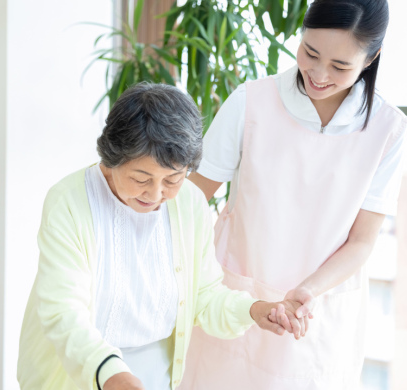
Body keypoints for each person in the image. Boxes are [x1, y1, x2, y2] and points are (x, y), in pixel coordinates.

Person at [179, 0, 407, 389]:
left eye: (340, 67)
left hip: (319, 312)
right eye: (310, 52)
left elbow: (362, 241)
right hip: (239, 301)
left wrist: (307, 292)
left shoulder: (388, 129)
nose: (318, 74)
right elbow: (189, 200)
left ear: (372, 58)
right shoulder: (251, 101)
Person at [17, 83, 302, 390]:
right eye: (141, 178)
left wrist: (253, 310)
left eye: (172, 179)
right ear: (112, 157)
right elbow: (64, 311)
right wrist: (112, 374)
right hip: (79, 372)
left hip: (155, 376)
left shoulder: (189, 202)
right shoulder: (69, 202)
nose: (155, 194)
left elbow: (204, 297)